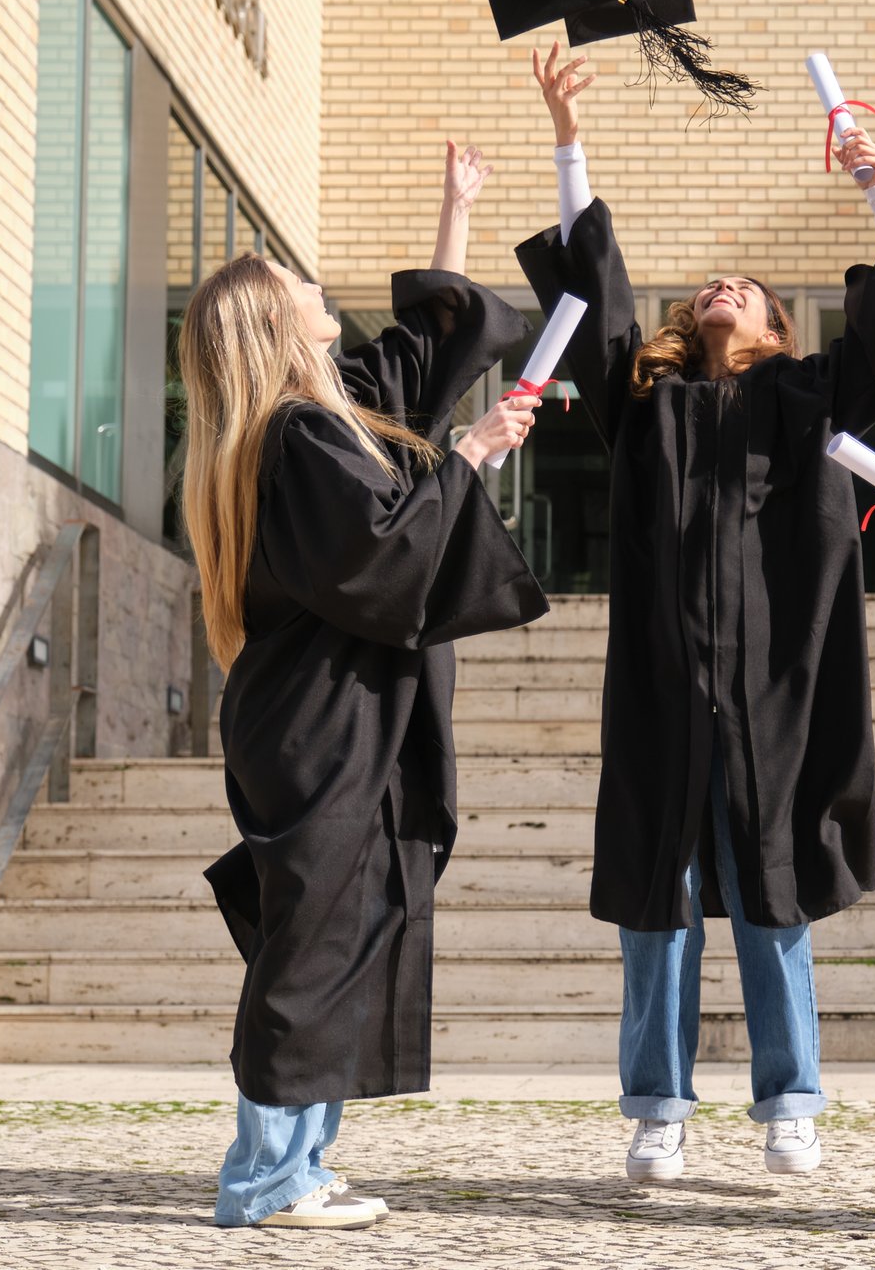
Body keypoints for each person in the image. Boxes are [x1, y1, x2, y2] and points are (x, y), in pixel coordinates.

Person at [514, 42, 875, 1183]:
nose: (722, 286)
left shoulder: (805, 398)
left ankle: (790, 1099)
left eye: (744, 288)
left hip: (773, 694)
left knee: (769, 892)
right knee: (661, 902)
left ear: (775, 331)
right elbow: (590, 301)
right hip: (663, 690)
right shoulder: (645, 407)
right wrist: (568, 141)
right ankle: (657, 1106)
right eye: (709, 283)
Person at [185, 141, 548, 1230]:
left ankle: (302, 1164)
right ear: (269, 322)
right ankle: (264, 1179)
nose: (313, 283)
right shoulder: (293, 438)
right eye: (293, 280)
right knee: (312, 944)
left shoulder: (317, 414)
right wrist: (475, 454)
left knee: (345, 932)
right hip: (321, 720)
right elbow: (381, 548)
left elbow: (418, 362)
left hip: (342, 713)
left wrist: (455, 212)